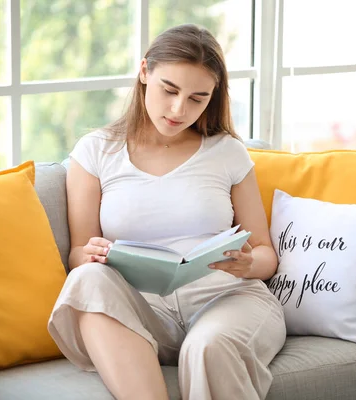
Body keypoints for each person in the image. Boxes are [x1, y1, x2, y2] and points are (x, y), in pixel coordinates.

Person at [47, 24, 287, 400]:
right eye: (169, 90)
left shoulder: (227, 152)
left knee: (206, 346)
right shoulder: (96, 151)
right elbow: (79, 254)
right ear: (144, 72)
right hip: (142, 310)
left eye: (197, 98)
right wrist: (91, 254)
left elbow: (265, 253)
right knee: (85, 280)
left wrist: (248, 264)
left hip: (227, 300)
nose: (179, 110)